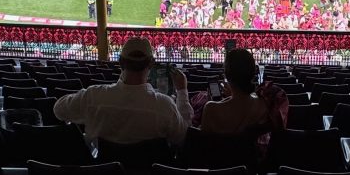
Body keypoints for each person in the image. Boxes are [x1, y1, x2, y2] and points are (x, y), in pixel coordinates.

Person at [52, 36, 192, 146]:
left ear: (120, 62)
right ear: (151, 63)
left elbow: (58, 110)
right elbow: (183, 137)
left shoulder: (93, 96)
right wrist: (182, 92)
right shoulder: (165, 106)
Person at [201, 48, 270, 135]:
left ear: (226, 75)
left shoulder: (211, 109)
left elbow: (203, 144)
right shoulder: (264, 105)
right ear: (253, 74)